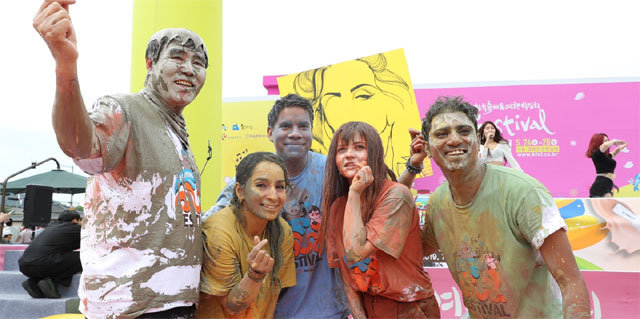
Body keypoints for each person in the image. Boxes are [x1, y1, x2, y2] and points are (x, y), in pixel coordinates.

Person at [34, 1, 208, 317]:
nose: (189, 68)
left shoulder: (174, 127)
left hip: (175, 302)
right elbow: (80, 145)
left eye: (199, 62)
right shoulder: (125, 109)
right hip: (129, 306)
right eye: (178, 56)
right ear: (150, 62)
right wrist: (65, 64)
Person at [405, 96, 590, 318]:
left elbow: (570, 281)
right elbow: (407, 252)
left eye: (464, 131)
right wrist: (411, 168)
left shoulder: (523, 192)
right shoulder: (437, 203)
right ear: (427, 146)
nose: (454, 140)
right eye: (442, 134)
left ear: (477, 138)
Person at [203, 94, 350, 318]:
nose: (295, 133)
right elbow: (210, 227)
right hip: (273, 311)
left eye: (303, 126)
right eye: (285, 126)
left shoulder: (333, 172)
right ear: (270, 132)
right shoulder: (246, 181)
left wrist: (411, 167)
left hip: (329, 308)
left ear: (312, 131)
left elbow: (378, 204)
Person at [320, 121, 439, 319]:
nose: (349, 154)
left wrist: (354, 192)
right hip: (369, 306)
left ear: (374, 154)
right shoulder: (338, 207)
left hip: (408, 306)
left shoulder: (395, 196)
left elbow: (355, 252)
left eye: (359, 147)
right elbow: (346, 273)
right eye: (341, 149)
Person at [196, 152, 296, 318]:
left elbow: (276, 292)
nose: (273, 196)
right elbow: (232, 306)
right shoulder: (219, 232)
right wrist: (254, 276)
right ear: (240, 191)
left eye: (280, 187)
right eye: (261, 185)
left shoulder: (283, 231)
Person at [291, 53, 418, 175]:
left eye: (363, 95)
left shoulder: (395, 188)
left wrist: (412, 166)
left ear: (391, 101)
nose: (347, 107)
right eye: (333, 100)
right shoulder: (321, 178)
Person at [18, 210, 82, 299]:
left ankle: (33, 283)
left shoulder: (50, 227)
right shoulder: (75, 228)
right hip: (44, 263)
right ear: (75, 220)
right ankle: (53, 282)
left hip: (24, 265)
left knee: (57, 259)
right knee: (84, 257)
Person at [586, 133, 627, 197]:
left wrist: (621, 147)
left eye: (608, 140)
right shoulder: (596, 155)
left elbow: (614, 153)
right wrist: (614, 141)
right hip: (601, 184)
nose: (607, 142)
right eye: (605, 140)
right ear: (598, 142)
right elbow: (605, 145)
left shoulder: (604, 157)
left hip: (607, 183)